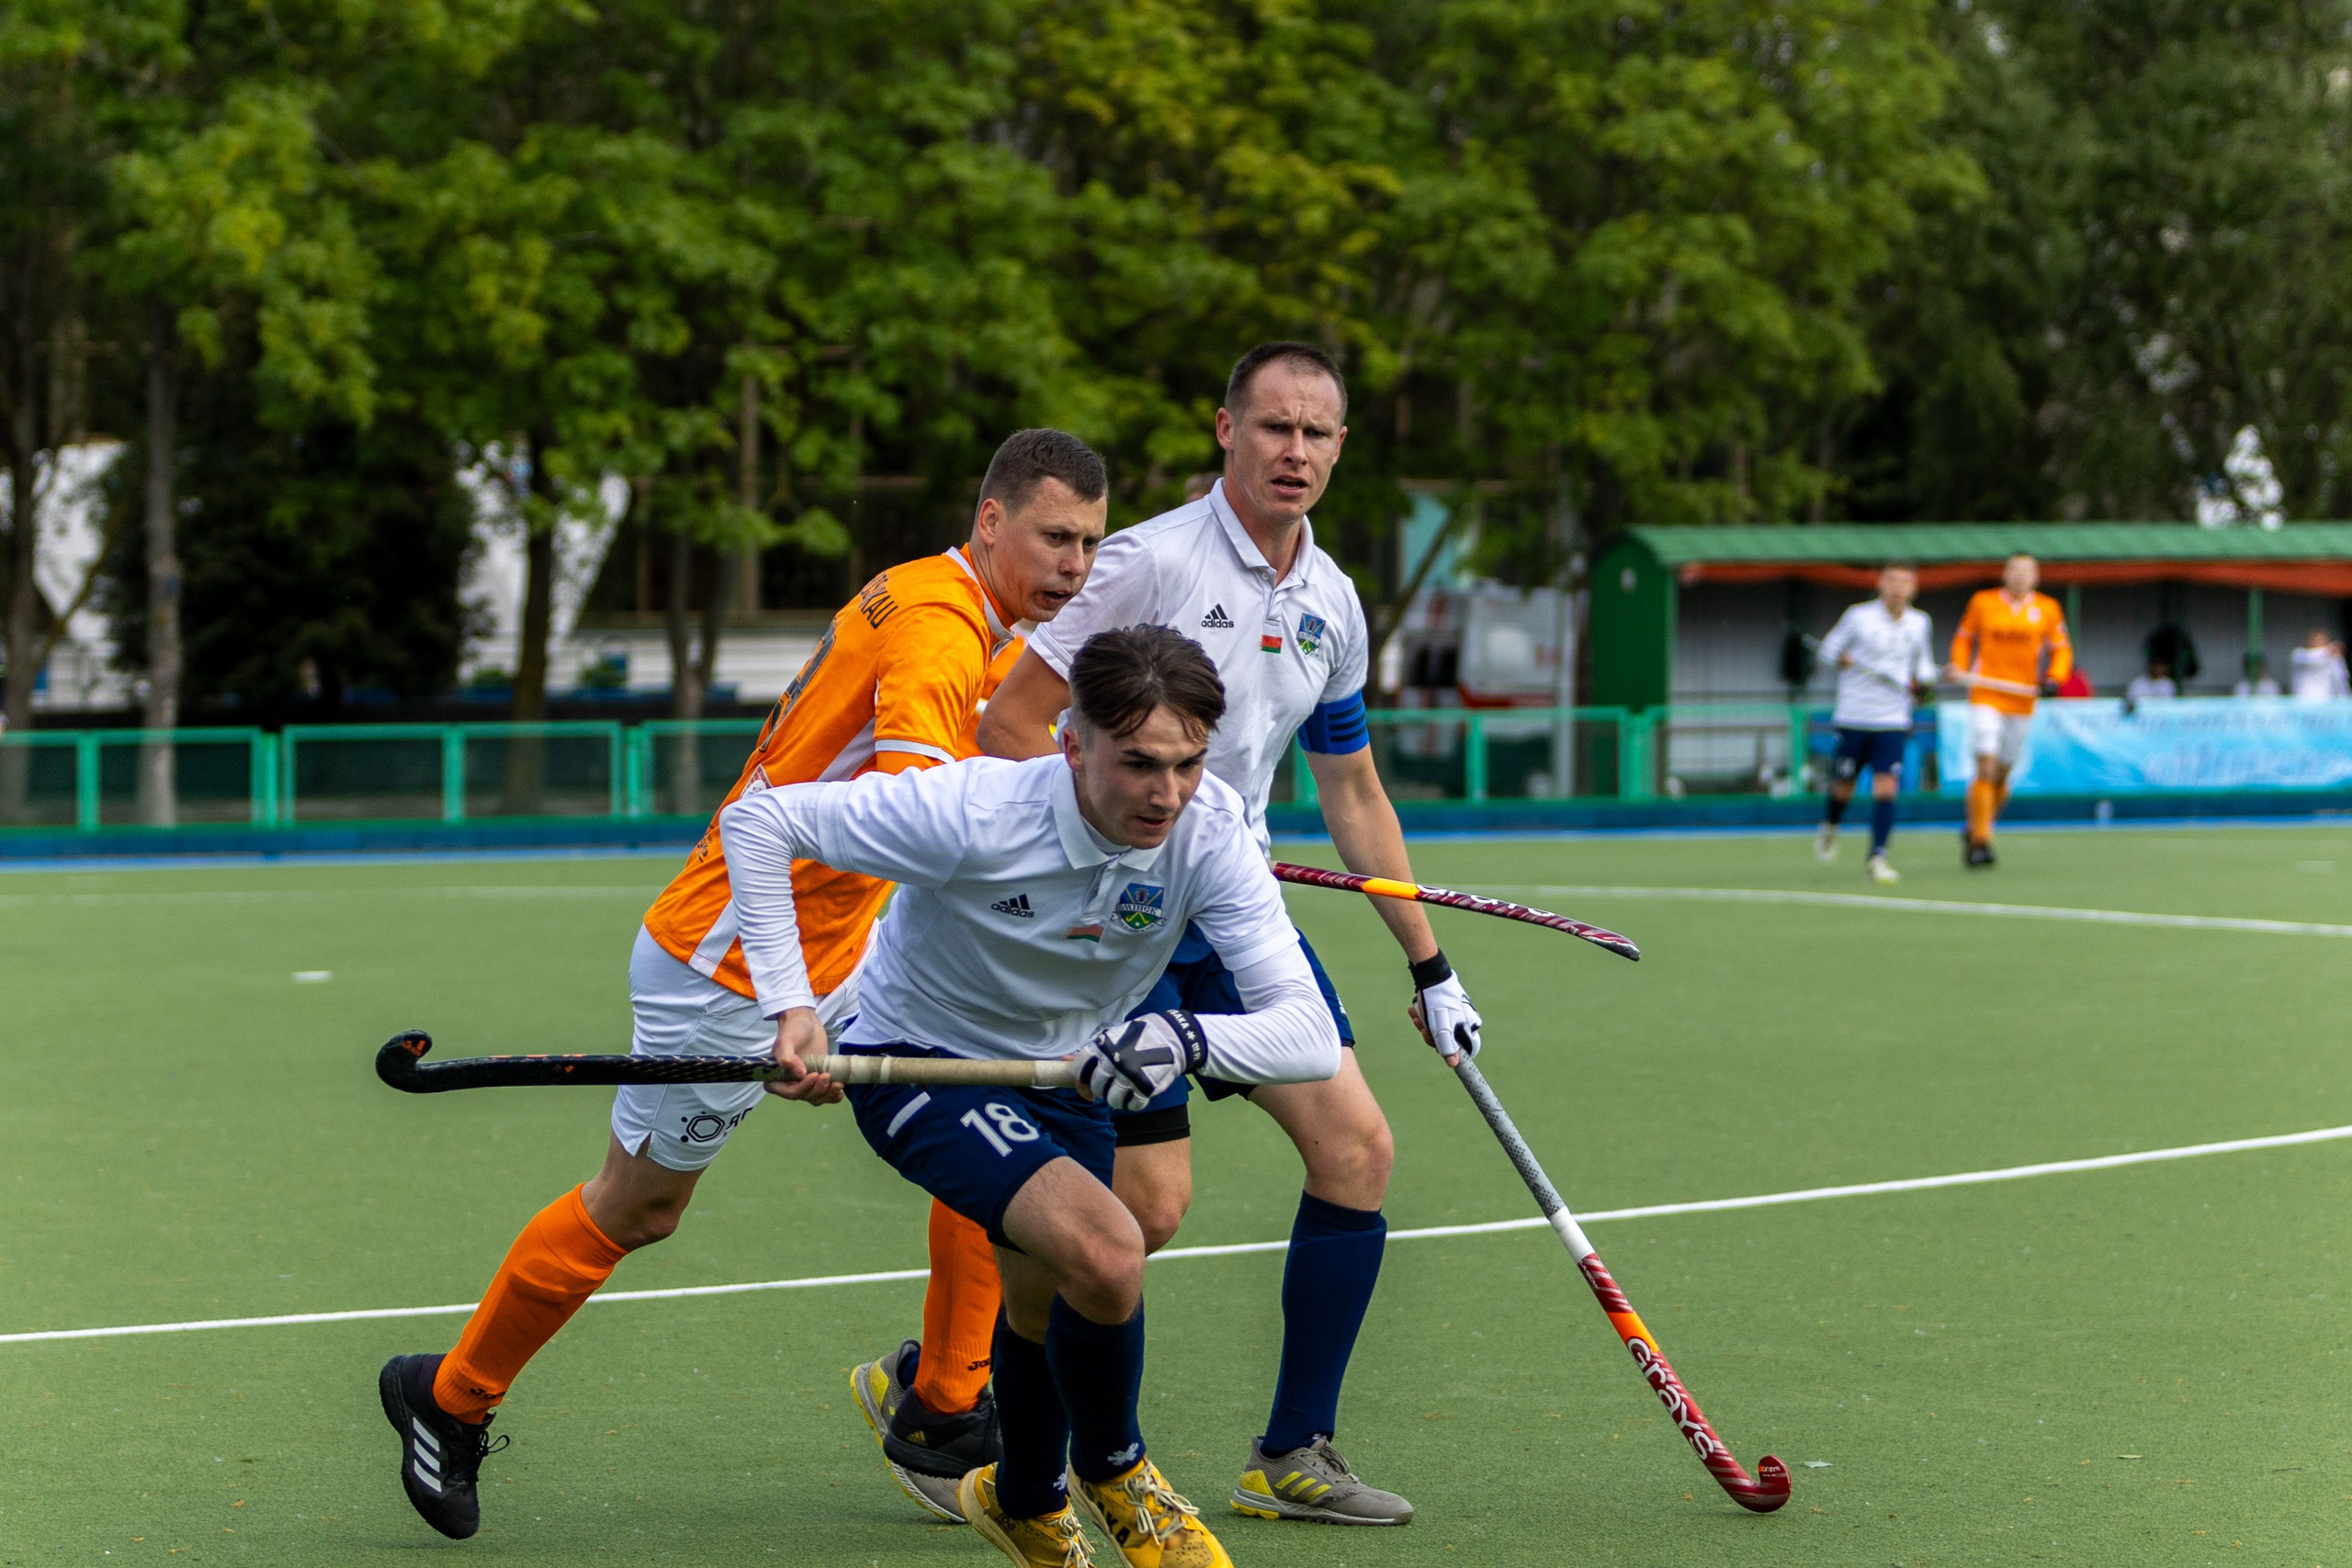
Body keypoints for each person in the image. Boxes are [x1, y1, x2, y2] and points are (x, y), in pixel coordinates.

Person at [373, 428, 1109, 1541]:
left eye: (1091, 544)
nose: (1074, 565)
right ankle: (450, 1396)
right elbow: (919, 812)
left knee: (984, 1132)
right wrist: (787, 1012)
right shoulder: (936, 631)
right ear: (992, 521)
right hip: (729, 961)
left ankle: (948, 1404)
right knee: (641, 1208)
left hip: (844, 950)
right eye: (1056, 537)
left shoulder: (960, 612)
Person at [956, 341, 1476, 1531]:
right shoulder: (1142, 565)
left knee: (1356, 1149)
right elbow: (1010, 721)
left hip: (1234, 912)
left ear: (1343, 448)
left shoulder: (1331, 599)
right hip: (1115, 919)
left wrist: (1428, 961)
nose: (1296, 451)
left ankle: (1291, 1451)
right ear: (1225, 430)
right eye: (1275, 427)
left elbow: (1352, 790)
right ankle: (964, 1391)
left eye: (1319, 433)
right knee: (1138, 1216)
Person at [729, 626, 1342, 1568]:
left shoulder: (1208, 831)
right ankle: (1119, 1473)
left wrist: (1180, 1037)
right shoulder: (972, 811)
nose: (1166, 793)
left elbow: (1302, 1032)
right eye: (1138, 763)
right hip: (919, 1057)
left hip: (1065, 1071)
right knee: (1106, 1250)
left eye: (1186, 764)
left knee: (1036, 1305)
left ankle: (1020, 1499)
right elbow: (761, 821)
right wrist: (793, 1009)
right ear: (1070, 743)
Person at [1812, 563, 1936, 884]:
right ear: (1881, 584)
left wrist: (1924, 684)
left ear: (1914, 587)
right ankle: (1830, 825)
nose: (1898, 587)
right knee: (1844, 787)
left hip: (1893, 718)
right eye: (1892, 580)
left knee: (1886, 786)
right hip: (1854, 716)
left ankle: (1877, 856)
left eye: (1905, 581)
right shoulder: (1858, 616)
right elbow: (1827, 650)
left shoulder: (1920, 623)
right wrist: (1841, 658)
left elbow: (1922, 665)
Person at [1949, 553, 2072, 868]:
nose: (2019, 577)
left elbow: (2061, 650)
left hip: (2022, 699)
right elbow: (1964, 639)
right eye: (2014, 571)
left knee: (2003, 774)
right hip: (1986, 694)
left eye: (2026, 572)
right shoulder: (1983, 602)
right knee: (1986, 767)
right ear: (2004, 574)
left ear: (2036, 577)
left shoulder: (2048, 608)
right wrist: (1959, 667)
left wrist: (2054, 679)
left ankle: (1975, 826)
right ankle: (1980, 843)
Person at [2292, 629, 2350, 700]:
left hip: (2327, 698)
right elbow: (2310, 659)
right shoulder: (2299, 654)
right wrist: (2329, 651)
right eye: (2315, 640)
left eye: (2321, 640)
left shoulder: (2334, 657)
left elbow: (2340, 678)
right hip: (2304, 698)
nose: (2318, 642)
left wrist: (2345, 697)